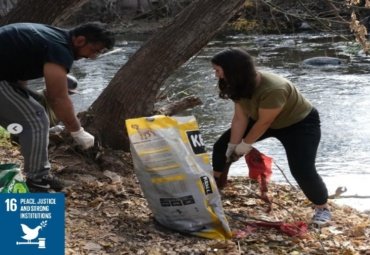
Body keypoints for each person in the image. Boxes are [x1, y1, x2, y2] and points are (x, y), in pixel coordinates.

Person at [211, 48, 331, 225]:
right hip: (262, 118)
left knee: (302, 170)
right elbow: (240, 117)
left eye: (218, 70)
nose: (216, 75)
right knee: (221, 147)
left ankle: (323, 209)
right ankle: (215, 187)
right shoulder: (237, 83)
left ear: (232, 70)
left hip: (299, 124)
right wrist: (232, 146)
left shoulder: (274, 88)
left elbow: (263, 124)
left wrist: (244, 146)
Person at [0, 22, 115, 192]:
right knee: (36, 120)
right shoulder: (60, 48)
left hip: (6, 78)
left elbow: (18, 69)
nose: (92, 57)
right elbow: (58, 97)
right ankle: (38, 180)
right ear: (80, 40)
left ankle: (38, 172)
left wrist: (25, 99)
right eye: (94, 50)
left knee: (34, 108)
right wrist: (77, 131)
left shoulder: (55, 37)